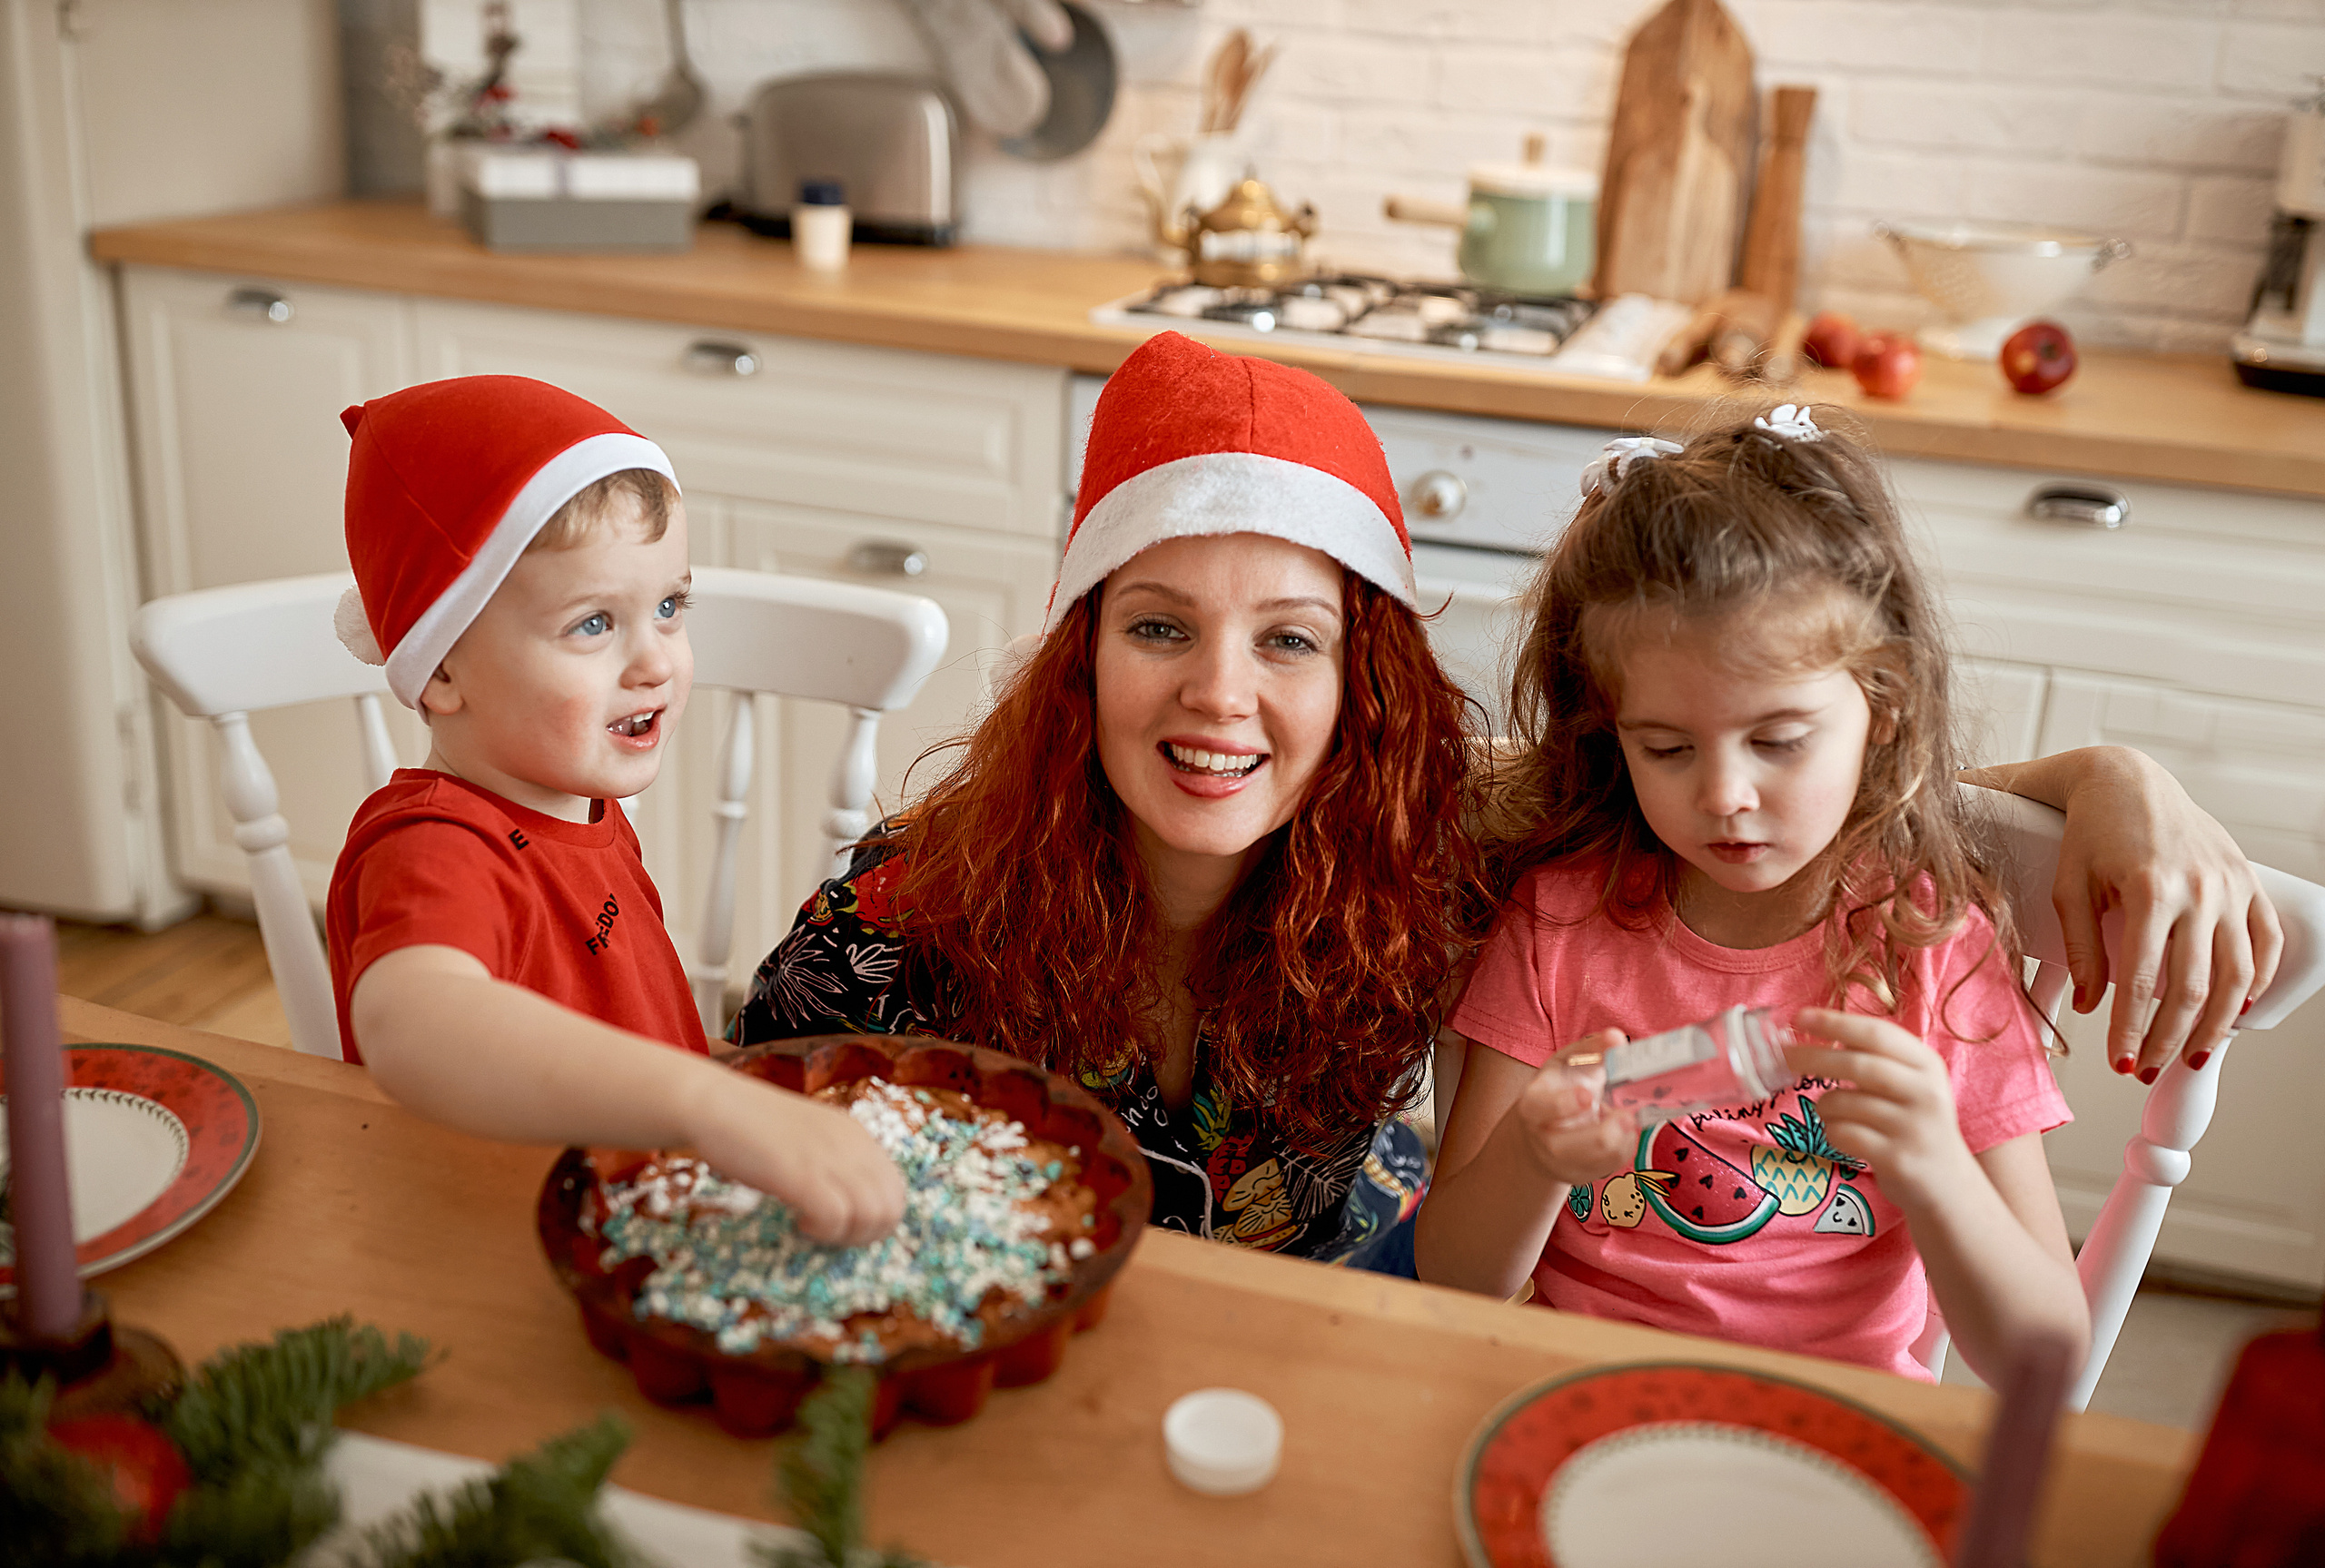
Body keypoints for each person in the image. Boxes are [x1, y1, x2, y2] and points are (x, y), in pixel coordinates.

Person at [1415, 405, 2284, 1382]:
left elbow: (2044, 1352)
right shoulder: (1557, 922)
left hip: (1837, 1413)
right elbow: (1453, 1277)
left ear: (1885, 707)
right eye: (1666, 747)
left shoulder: (1934, 947)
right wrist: (1532, 1156)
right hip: (1582, 1388)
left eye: (1779, 740)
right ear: (1609, 732)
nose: (1725, 794)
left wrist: (1939, 1173)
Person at [731, 330, 1488, 1267]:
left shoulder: (1424, 898)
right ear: (1079, 660)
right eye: (1160, 627)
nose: (1219, 693)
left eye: (1289, 639)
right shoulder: (885, 942)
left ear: (1362, 691)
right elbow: (737, 1193)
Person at [322, 375, 902, 1247]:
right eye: (593, 624)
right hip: (502, 1250)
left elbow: (640, 1033)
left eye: (669, 607)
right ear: (441, 669)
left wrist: (737, 1098)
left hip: (641, 1212)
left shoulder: (583, 806)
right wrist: (708, 1104)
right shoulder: (435, 845)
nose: (656, 662)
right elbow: (412, 1021)